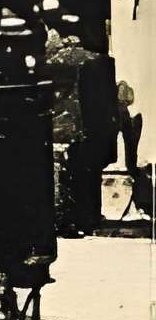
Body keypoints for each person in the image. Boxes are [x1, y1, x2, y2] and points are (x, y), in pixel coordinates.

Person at [46, 26, 103, 236]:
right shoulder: (95, 61)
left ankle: (64, 220)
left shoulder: (51, 63)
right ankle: (87, 218)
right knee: (85, 173)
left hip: (57, 125)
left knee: (61, 174)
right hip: (84, 126)